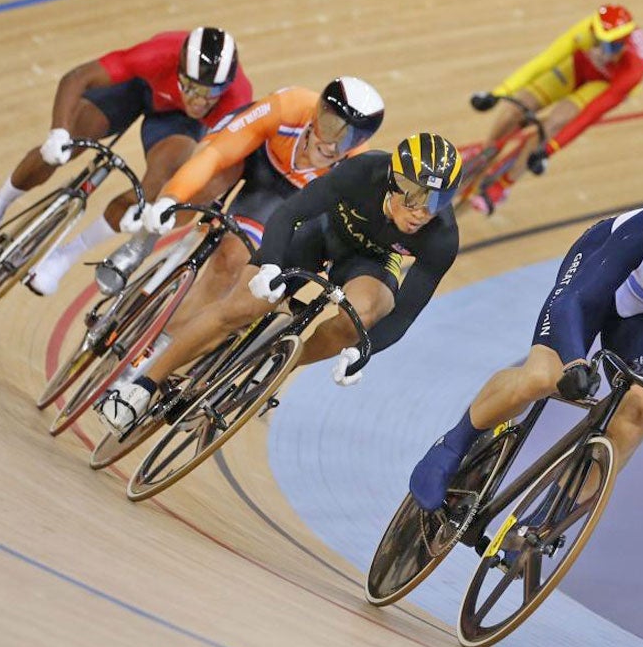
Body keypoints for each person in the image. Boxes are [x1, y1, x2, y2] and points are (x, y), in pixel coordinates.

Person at [409, 184, 643, 514]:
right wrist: (573, 363)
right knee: (544, 376)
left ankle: (542, 524)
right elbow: (575, 298)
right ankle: (452, 445)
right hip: (595, 284)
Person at [98, 132, 462, 431]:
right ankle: (143, 384)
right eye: (416, 198)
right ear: (394, 182)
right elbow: (289, 213)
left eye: (439, 200)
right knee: (240, 308)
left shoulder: (442, 236)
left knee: (363, 316)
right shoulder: (364, 171)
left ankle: (277, 367)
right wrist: (271, 267)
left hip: (372, 261)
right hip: (323, 231)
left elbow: (403, 315)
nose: (424, 212)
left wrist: (361, 353)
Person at [0, 27, 253, 295]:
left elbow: (218, 168)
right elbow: (77, 78)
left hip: (176, 123)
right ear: (179, 71)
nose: (199, 101)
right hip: (138, 88)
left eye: (211, 92)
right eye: (192, 88)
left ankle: (65, 256)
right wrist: (59, 133)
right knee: (73, 136)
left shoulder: (236, 99)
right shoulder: (159, 55)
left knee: (155, 188)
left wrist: (157, 209)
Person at [94, 76, 386, 306]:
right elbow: (215, 156)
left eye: (351, 137)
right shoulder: (289, 106)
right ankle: (140, 243)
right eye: (331, 127)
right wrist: (171, 199)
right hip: (249, 152)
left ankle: (159, 344)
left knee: (232, 260)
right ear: (315, 114)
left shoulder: (354, 168)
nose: (333, 145)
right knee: (202, 187)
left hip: (284, 195)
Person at [467, 4, 643, 214]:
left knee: (553, 124)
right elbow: (545, 60)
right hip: (580, 65)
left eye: (611, 47)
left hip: (605, 85)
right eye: (599, 43)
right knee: (516, 106)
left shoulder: (633, 69)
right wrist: (498, 92)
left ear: (624, 44)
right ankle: (486, 150)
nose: (602, 51)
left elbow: (589, 115)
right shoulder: (587, 29)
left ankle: (503, 186)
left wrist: (549, 149)